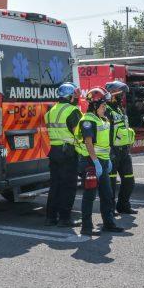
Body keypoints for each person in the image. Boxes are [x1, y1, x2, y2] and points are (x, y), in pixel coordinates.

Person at [75, 87, 124, 236]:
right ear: (95, 106)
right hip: (90, 162)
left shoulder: (102, 119)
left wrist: (106, 159)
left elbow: (103, 142)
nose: (105, 109)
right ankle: (87, 227)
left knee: (107, 193)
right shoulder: (88, 121)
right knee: (89, 195)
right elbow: (89, 143)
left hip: (102, 161)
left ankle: (108, 223)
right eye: (103, 106)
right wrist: (96, 162)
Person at [44, 82, 82, 227]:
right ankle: (65, 218)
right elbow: (78, 133)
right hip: (68, 152)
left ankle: (50, 217)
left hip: (54, 151)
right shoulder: (73, 111)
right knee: (69, 185)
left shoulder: (51, 111)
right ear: (70, 96)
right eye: (74, 95)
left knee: (55, 185)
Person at [105, 80, 137, 215]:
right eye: (121, 93)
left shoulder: (119, 108)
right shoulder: (106, 110)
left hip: (124, 151)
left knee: (129, 180)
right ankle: (110, 209)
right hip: (112, 151)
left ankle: (123, 205)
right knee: (111, 184)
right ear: (112, 93)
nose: (123, 96)